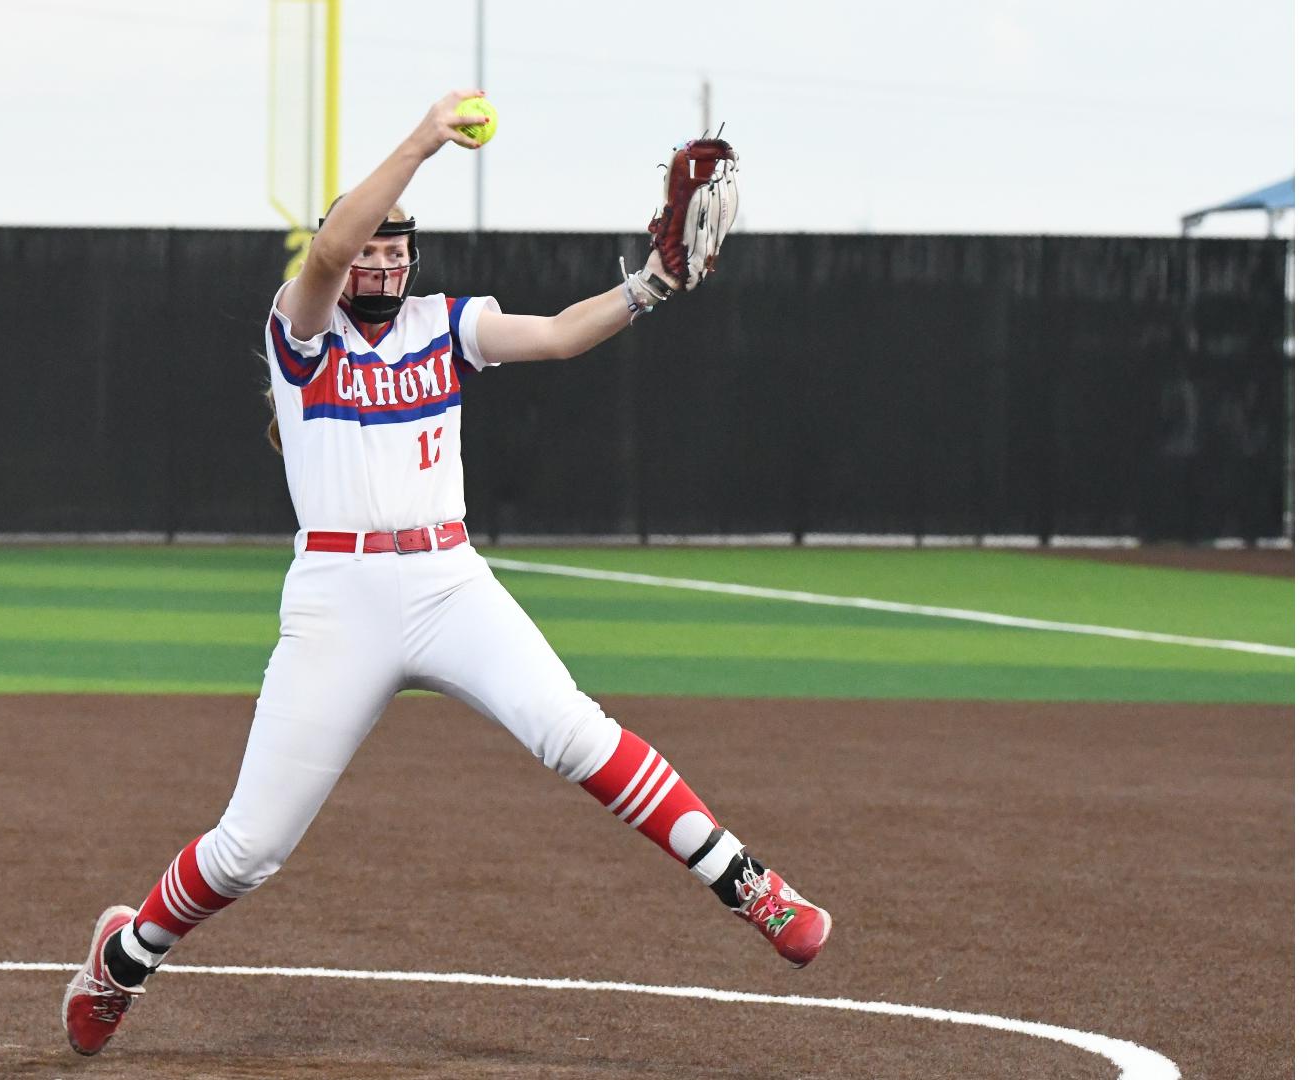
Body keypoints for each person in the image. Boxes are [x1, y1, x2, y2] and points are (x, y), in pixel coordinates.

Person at [63, 89, 831, 1057]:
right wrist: (424, 139)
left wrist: (651, 287)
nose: (382, 258)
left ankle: (746, 883)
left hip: (447, 580)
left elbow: (553, 335)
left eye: (399, 246)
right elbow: (333, 251)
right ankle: (126, 956)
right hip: (340, 599)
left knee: (570, 730)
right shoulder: (301, 333)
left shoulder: (446, 324)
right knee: (252, 847)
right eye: (370, 244)